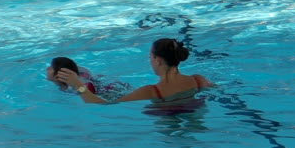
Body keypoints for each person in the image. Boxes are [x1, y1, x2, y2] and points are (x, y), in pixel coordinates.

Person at [53, 37, 212, 107]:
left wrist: (78, 85)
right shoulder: (199, 80)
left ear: (157, 60)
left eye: (150, 57)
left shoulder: (150, 91)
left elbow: (102, 105)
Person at [48, 56, 123, 99]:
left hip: (105, 92)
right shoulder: (77, 72)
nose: (47, 68)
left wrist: (80, 87)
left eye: (51, 68)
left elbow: (87, 91)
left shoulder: (71, 88)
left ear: (57, 76)